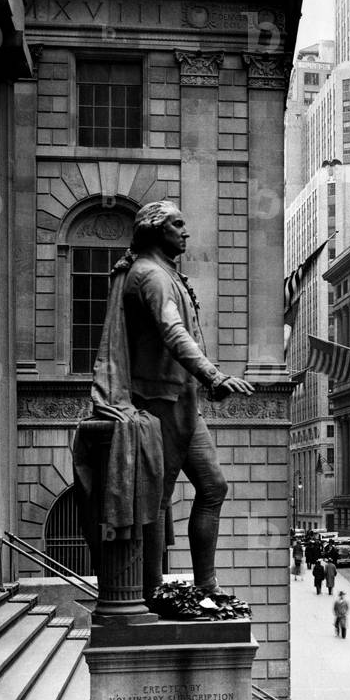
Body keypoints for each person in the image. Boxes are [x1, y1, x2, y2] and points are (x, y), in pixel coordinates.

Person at [91, 201, 253, 602]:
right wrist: (213, 375)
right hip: (158, 403)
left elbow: (182, 336)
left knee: (213, 486)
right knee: (156, 501)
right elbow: (173, 332)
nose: (186, 231)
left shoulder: (163, 274)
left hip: (182, 401)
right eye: (177, 224)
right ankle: (150, 589)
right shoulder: (150, 276)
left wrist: (206, 384)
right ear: (155, 230)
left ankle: (205, 583)